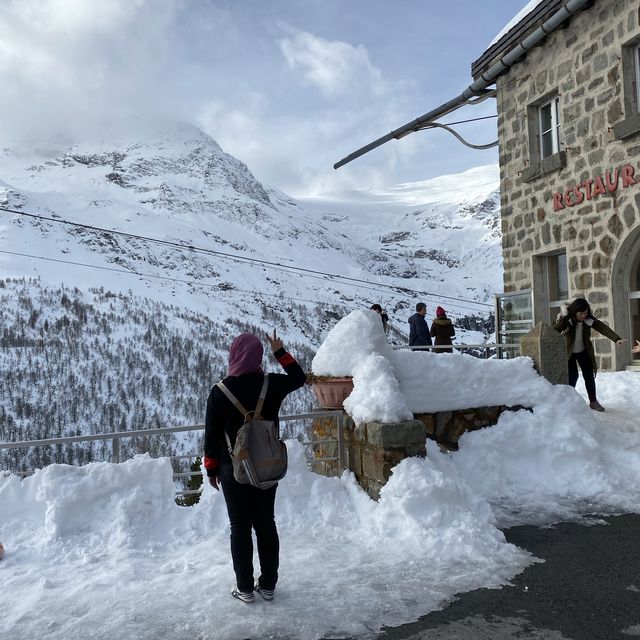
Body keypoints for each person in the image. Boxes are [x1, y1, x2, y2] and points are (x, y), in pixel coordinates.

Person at [204, 330, 306, 603]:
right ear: (258, 356)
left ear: (233, 355)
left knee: (239, 526)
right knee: (265, 523)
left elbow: (211, 435)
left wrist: (211, 469)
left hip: (232, 468)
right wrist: (280, 351)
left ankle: (245, 588)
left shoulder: (220, 391)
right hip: (267, 466)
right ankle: (269, 585)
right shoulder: (270, 384)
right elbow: (300, 378)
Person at [554, 298, 626, 412]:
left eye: (586, 312)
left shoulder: (589, 320)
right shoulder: (566, 321)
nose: (584, 315)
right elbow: (553, 330)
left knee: (589, 375)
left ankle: (593, 401)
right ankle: (568, 401)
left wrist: (616, 339)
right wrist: (559, 321)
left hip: (583, 351)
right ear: (574, 312)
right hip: (569, 353)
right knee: (573, 376)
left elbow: (603, 328)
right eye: (581, 313)